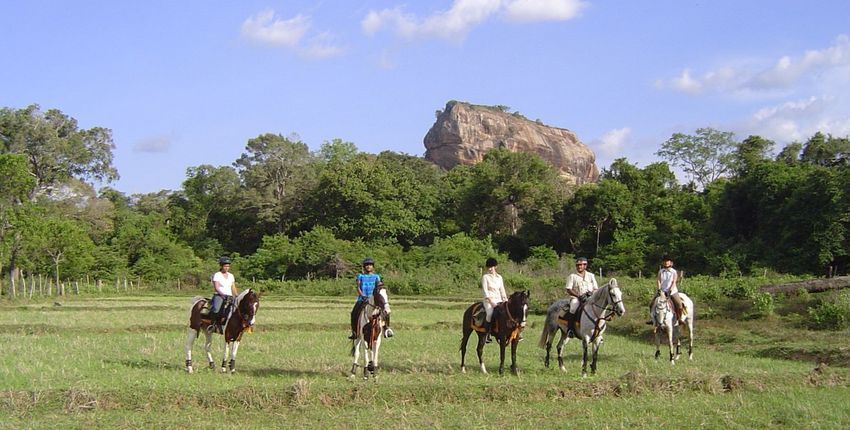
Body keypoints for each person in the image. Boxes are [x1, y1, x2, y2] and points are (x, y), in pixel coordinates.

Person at [349, 258, 382, 339]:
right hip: (362, 299)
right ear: (364, 267)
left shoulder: (376, 277)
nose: (368, 266)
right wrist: (362, 296)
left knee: (385, 311)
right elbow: (358, 287)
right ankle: (354, 332)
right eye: (367, 265)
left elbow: (379, 288)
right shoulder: (360, 276)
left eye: (370, 265)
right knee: (353, 313)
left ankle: (386, 329)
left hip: (373, 300)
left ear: (373, 267)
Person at [564, 257, 598, 335]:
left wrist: (591, 293)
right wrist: (578, 296)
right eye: (578, 265)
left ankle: (598, 330)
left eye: (581, 265)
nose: (579, 267)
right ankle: (570, 329)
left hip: (590, 298)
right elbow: (569, 289)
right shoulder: (572, 276)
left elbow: (596, 288)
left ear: (585, 266)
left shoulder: (591, 276)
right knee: (573, 307)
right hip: (577, 298)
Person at [481, 257, 507, 344]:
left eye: (491, 267)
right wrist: (491, 302)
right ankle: (487, 334)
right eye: (488, 267)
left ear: (495, 267)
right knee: (490, 313)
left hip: (499, 299)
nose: (490, 269)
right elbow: (485, 291)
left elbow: (502, 290)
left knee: (508, 312)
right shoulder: (485, 277)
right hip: (489, 300)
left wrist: (505, 300)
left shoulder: (500, 277)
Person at [656, 255, 686, 323]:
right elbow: (658, 280)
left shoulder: (673, 272)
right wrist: (659, 289)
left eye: (668, 261)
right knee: (653, 303)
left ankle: (680, 318)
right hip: (662, 291)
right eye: (665, 261)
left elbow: (674, 282)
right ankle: (653, 319)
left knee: (679, 304)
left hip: (672, 291)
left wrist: (670, 290)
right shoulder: (661, 271)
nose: (666, 262)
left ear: (670, 262)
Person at [209, 256, 235, 333]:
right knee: (216, 309)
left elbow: (233, 287)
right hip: (219, 295)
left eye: (228, 266)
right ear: (221, 266)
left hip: (229, 296)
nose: (227, 268)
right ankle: (213, 325)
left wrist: (236, 295)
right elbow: (216, 287)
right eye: (225, 266)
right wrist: (223, 295)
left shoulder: (231, 276)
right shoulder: (217, 275)